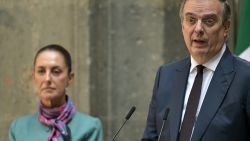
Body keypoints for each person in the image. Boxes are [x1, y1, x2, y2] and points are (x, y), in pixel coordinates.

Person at [142, 0, 250, 141]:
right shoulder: (166, 75)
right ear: (182, 26)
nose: (198, 28)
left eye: (209, 21)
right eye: (191, 20)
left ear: (226, 27)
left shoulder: (245, 78)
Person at [9, 44, 104, 141]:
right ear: (34, 78)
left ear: (70, 78)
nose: (47, 79)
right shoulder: (18, 128)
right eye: (41, 71)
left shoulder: (90, 127)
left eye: (56, 71)